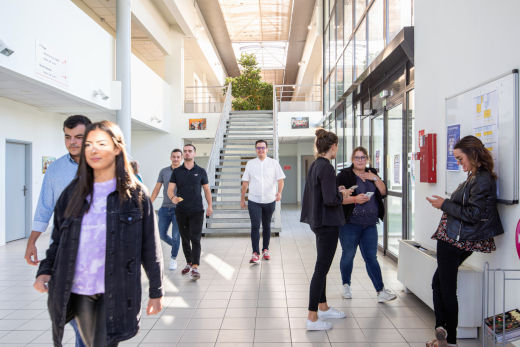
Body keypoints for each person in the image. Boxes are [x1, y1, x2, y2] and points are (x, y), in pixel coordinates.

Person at [33, 121, 163, 347]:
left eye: (101, 144)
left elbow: (150, 247)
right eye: (89, 144)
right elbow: (58, 241)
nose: (93, 150)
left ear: (116, 148)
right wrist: (45, 271)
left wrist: (156, 291)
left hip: (113, 293)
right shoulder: (72, 193)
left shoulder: (135, 196)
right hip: (74, 292)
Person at [426, 135, 503, 347]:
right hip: (453, 237)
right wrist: (446, 204)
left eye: (461, 159)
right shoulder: (475, 176)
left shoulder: (482, 179)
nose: (459, 164)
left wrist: (443, 204)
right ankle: (442, 331)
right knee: (439, 284)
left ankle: (449, 340)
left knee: (446, 287)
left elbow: (473, 214)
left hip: (455, 240)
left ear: (472, 154)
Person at [25, 114, 91, 347]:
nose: (72, 142)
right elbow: (44, 206)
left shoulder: (107, 165)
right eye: (68, 137)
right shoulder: (55, 169)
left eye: (79, 137)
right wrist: (32, 241)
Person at [300, 129, 352, 331]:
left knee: (321, 267)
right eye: (337, 146)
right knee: (321, 270)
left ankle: (323, 307)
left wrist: (335, 192)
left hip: (318, 222)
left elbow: (323, 195)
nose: (337, 149)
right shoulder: (327, 168)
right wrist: (342, 194)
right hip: (328, 224)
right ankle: (312, 317)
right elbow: (330, 200)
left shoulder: (315, 165)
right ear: (333, 147)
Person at [336, 146, 397, 303]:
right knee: (348, 255)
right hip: (350, 223)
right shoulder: (344, 175)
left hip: (369, 224)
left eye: (363, 157)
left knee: (371, 257)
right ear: (352, 159)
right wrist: (355, 198)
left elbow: (383, 193)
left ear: (367, 159)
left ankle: (380, 290)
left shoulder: (372, 173)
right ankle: (346, 285)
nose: (360, 160)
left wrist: (375, 179)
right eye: (357, 157)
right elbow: (338, 198)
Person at [168, 144, 213, 280]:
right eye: (185, 151)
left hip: (197, 210)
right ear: (183, 154)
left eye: (190, 151)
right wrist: (173, 198)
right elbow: (170, 190)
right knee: (185, 239)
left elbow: (206, 190)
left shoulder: (201, 171)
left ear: (194, 153)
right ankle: (188, 262)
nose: (187, 153)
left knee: (196, 238)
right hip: (181, 210)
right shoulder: (176, 172)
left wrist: (210, 206)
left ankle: (195, 267)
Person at [240, 139, 286, 263]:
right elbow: (245, 183)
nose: (261, 150)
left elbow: (281, 180)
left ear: (267, 149)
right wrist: (242, 199)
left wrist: (279, 192)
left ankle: (265, 250)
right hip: (254, 200)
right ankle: (255, 253)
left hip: (269, 200)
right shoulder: (250, 164)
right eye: (258, 148)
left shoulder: (273, 163)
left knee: (266, 226)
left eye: (263, 147)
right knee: (255, 226)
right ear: (256, 149)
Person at [150, 149, 183, 270]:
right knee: (161, 235)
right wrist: (149, 203)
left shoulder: (184, 172)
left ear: (181, 158)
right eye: (173, 157)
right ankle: (176, 245)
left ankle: (173, 258)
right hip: (164, 208)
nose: (175, 159)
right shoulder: (164, 171)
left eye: (178, 157)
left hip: (178, 209)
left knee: (175, 235)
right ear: (171, 158)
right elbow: (157, 188)